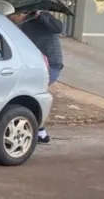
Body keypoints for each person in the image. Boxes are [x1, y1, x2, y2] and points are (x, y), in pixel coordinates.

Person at [10, 9, 64, 144]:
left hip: (50, 65)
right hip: (34, 66)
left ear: (19, 13)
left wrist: (41, 16)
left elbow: (58, 28)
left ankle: (40, 131)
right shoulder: (20, 27)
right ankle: (40, 133)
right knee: (25, 96)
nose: (9, 19)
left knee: (32, 95)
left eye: (11, 16)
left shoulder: (39, 19)